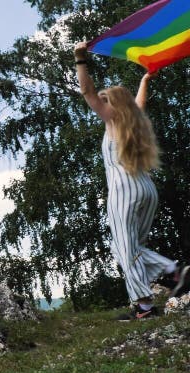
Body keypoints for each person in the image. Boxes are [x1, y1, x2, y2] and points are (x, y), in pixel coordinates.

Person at [74, 41, 189, 320]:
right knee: (129, 247)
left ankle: (149, 302)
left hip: (124, 191)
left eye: (105, 100)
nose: (100, 102)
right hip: (146, 189)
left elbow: (87, 90)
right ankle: (170, 275)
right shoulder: (134, 120)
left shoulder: (112, 120)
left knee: (126, 250)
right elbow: (140, 102)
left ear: (113, 105)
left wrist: (80, 59)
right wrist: (145, 80)